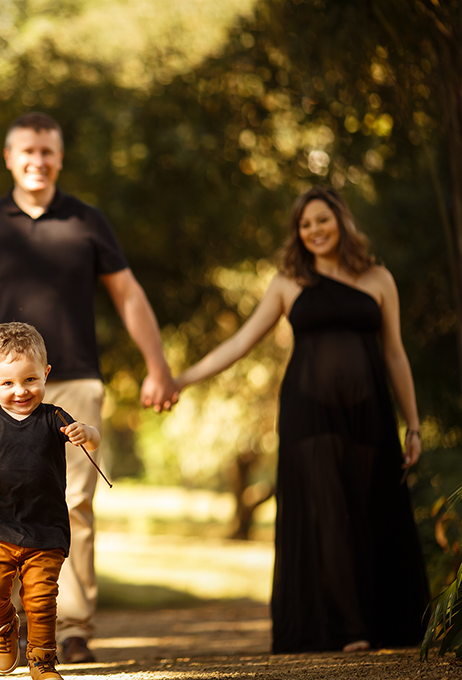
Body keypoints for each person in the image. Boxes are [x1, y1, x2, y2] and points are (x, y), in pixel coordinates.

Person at [0, 111, 177, 663]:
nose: (36, 160)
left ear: (60, 157)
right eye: (26, 150)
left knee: (74, 503)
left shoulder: (87, 220)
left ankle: (70, 626)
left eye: (47, 151)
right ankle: (10, 618)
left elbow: (128, 294)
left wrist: (157, 364)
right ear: (8, 157)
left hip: (74, 380)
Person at [173, 185, 430, 653]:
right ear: (298, 232)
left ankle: (385, 622)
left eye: (322, 220)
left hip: (369, 410)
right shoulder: (288, 283)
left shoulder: (377, 278)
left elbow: (394, 354)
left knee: (372, 506)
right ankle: (349, 630)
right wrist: (181, 380)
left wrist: (413, 425)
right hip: (307, 415)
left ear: (341, 222)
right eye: (305, 224)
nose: (314, 230)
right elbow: (239, 344)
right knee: (329, 512)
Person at [0, 322, 101, 680]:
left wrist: (87, 433)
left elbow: (94, 439)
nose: (20, 391)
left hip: (45, 528)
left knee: (41, 600)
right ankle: (4, 628)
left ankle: (43, 664)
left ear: (45, 374)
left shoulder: (53, 418)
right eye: (7, 383)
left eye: (30, 380)